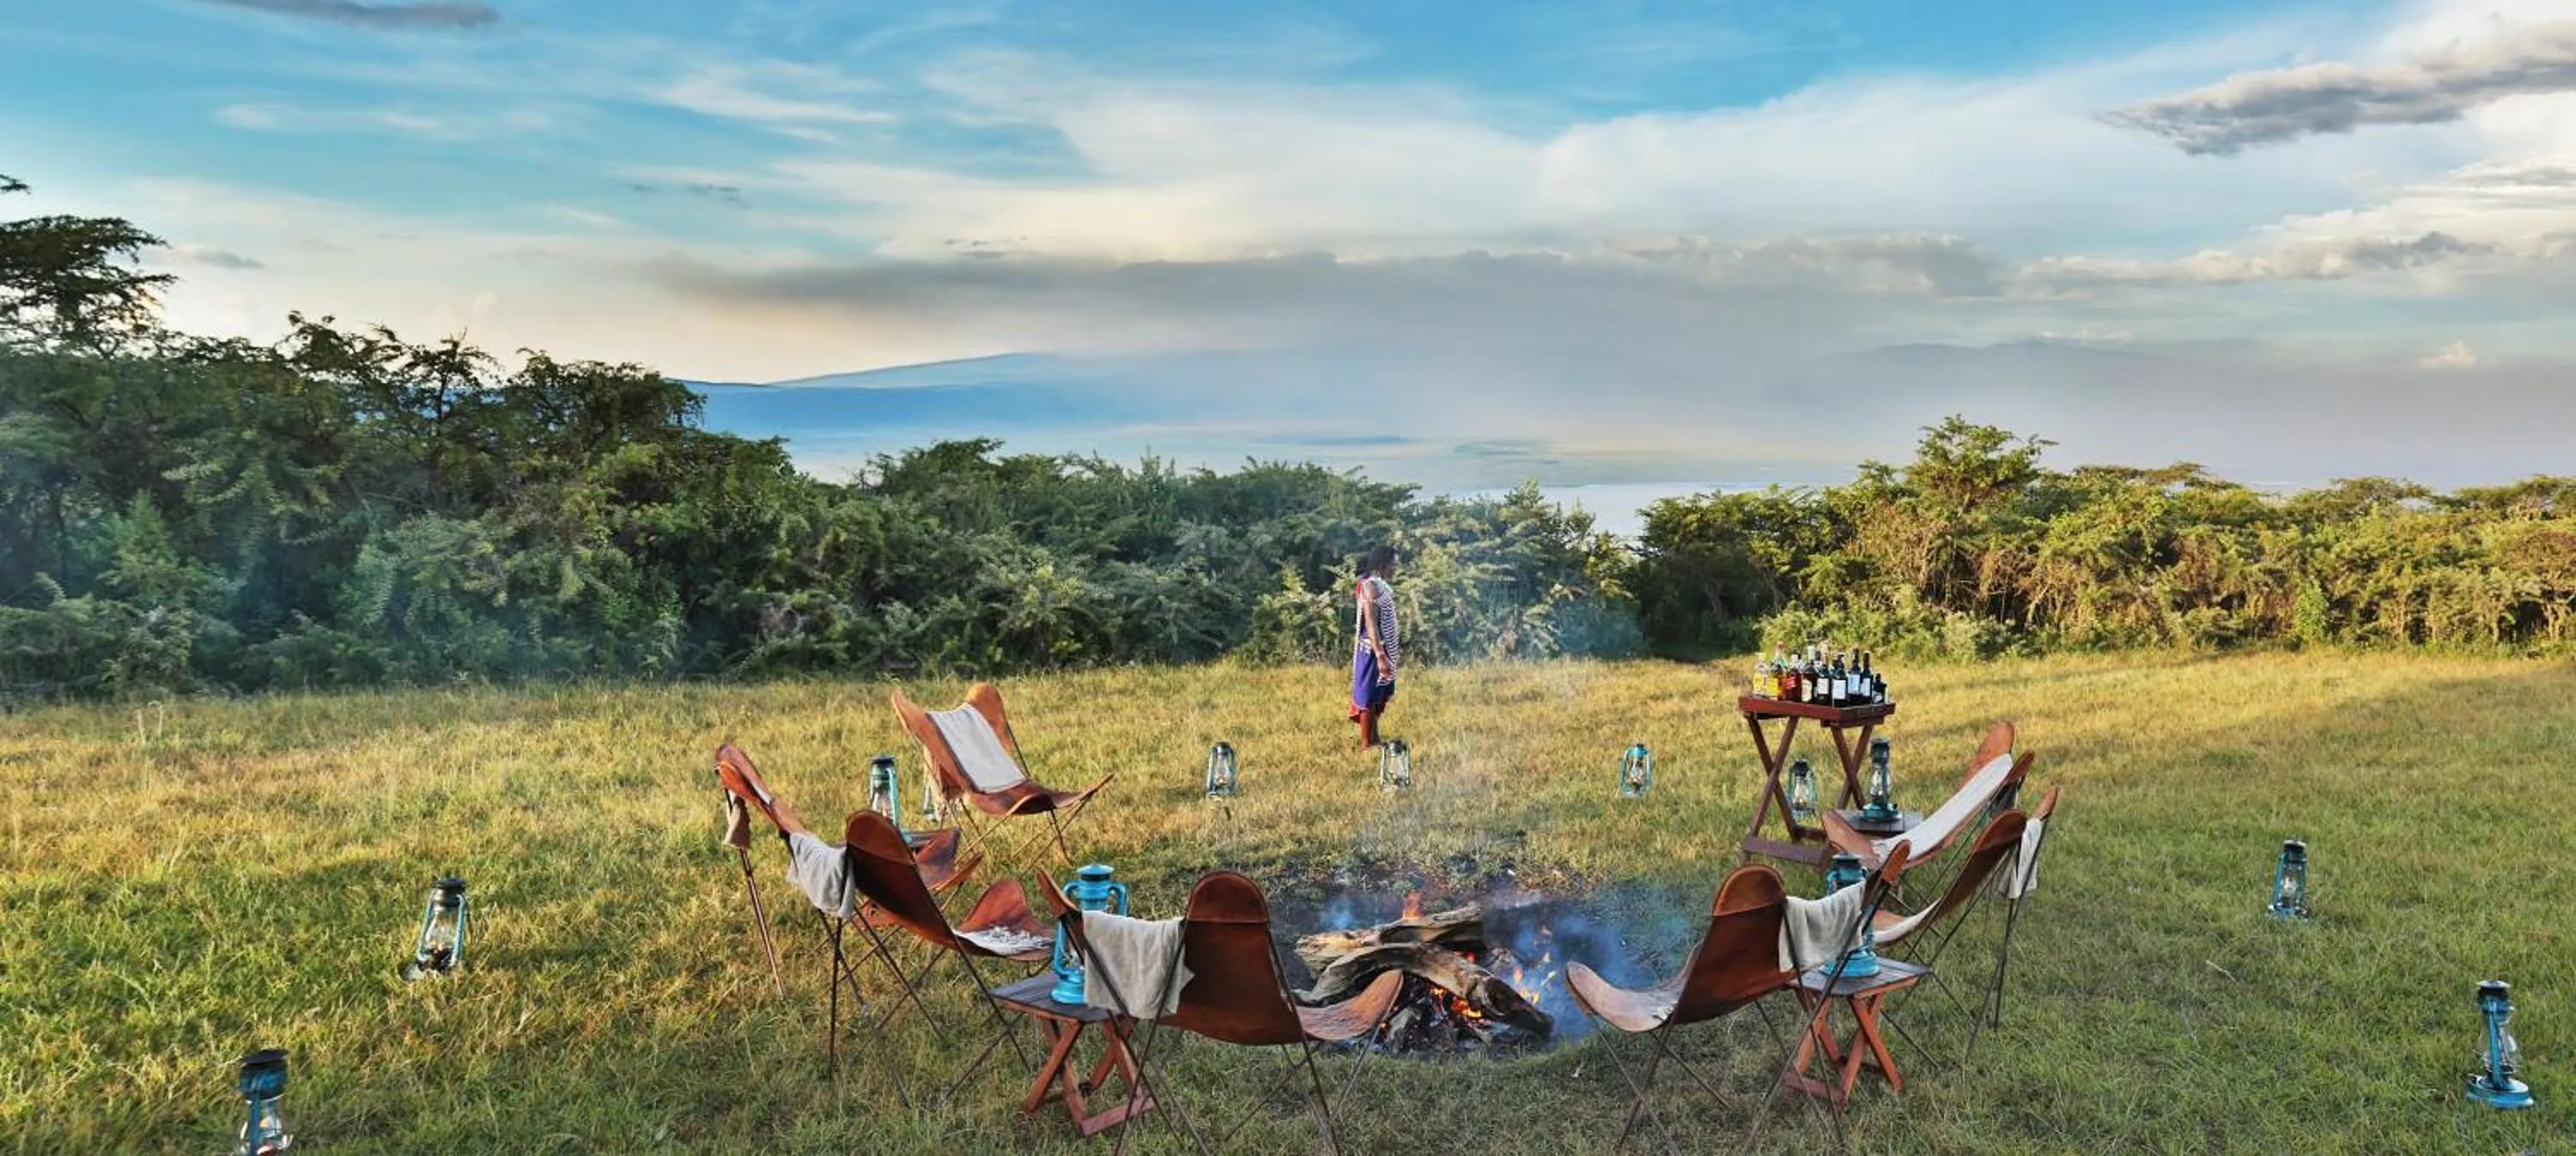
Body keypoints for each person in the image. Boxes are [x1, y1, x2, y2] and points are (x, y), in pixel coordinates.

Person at [1348, 545, 1400, 749]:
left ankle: (1375, 739)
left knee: (1377, 693)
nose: (1394, 569)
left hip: (1383, 648)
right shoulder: (1370, 585)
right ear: (1382, 564)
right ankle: (1365, 744)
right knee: (1368, 695)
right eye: (1392, 565)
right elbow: (1370, 621)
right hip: (1372, 650)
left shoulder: (1381, 585)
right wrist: (1379, 654)